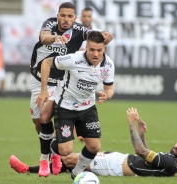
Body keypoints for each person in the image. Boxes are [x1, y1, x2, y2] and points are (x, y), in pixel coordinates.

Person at [27, 2, 113, 177]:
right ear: (58, 15)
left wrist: (105, 35)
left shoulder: (81, 31)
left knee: (45, 115)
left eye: (70, 16)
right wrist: (54, 38)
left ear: (75, 18)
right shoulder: (50, 24)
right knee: (39, 121)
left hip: (60, 81)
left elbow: (92, 35)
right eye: (63, 15)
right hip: (40, 78)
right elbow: (43, 38)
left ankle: (47, 158)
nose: (66, 19)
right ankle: (54, 151)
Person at [10, 108, 177, 177]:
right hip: (119, 159)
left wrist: (131, 125)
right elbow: (146, 152)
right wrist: (142, 133)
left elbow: (140, 151)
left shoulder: (171, 163)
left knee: (69, 159)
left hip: (117, 166)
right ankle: (45, 168)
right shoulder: (170, 161)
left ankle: (27, 169)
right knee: (74, 160)